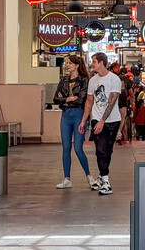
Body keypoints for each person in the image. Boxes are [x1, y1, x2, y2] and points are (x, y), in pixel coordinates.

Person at [80, 52, 121, 196]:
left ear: (101, 63)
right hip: (97, 119)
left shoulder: (114, 79)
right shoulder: (92, 81)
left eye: (93, 61)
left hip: (113, 120)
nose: (91, 64)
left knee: (107, 151)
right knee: (100, 150)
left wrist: (103, 121)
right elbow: (89, 101)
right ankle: (106, 182)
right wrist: (85, 120)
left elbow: (112, 102)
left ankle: (101, 176)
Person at [53, 55, 91, 189]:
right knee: (66, 148)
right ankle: (66, 178)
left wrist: (64, 99)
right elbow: (55, 99)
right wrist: (69, 99)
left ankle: (89, 176)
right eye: (67, 63)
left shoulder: (84, 81)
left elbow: (81, 99)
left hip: (78, 115)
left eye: (70, 63)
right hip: (66, 116)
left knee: (78, 148)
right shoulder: (63, 80)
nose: (67, 65)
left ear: (77, 65)